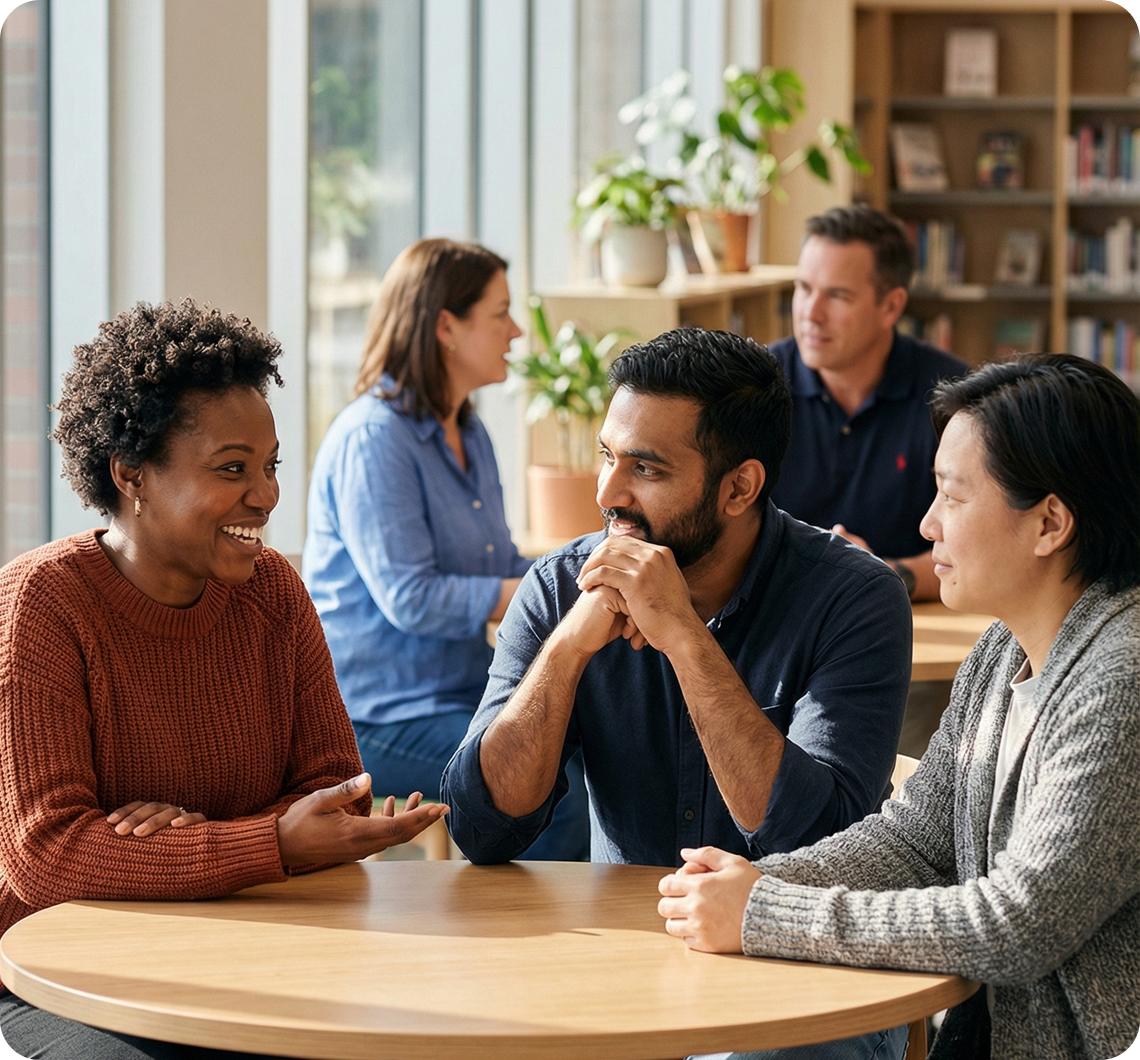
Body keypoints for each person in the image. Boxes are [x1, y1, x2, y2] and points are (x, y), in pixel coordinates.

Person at [655, 354, 1140, 1060]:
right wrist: (755, 881)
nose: (926, 525)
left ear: (1050, 523)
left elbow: (1017, 924)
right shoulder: (1003, 651)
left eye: (953, 497)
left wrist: (765, 912)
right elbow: (914, 838)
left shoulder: (1120, 681)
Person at [0, 299, 446, 1060]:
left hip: (252, 936)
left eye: (270, 467)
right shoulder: (43, 603)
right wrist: (267, 840)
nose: (266, 496)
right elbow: (46, 856)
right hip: (66, 969)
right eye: (232, 469)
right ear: (131, 474)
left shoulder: (272, 589)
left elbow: (337, 791)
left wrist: (196, 841)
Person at [441, 327, 912, 877]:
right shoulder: (559, 585)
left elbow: (820, 844)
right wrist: (566, 648)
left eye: (646, 469)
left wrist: (686, 638)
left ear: (739, 489)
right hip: (622, 947)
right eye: (607, 457)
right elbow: (479, 829)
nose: (607, 495)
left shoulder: (855, 598)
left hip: (786, 945)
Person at [303, 238, 589, 861]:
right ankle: (545, 952)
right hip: (377, 720)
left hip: (463, 695)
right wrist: (535, 594)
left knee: (602, 748)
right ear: (446, 327)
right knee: (556, 789)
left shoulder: (470, 429)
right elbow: (412, 598)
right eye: (501, 312)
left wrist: (576, 574)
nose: (516, 330)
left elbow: (499, 564)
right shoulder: (373, 440)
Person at [769, 205, 967, 602]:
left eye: (837, 296)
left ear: (891, 306)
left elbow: (985, 547)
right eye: (803, 289)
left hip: (909, 620)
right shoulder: (751, 386)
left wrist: (885, 575)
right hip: (774, 616)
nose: (811, 313)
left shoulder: (955, 400)